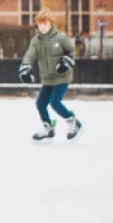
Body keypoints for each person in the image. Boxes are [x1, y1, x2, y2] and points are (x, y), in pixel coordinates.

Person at [19, 8, 82, 141]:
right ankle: (48, 128)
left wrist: (66, 62)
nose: (42, 27)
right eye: (40, 24)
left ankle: (72, 121)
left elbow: (72, 51)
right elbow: (30, 54)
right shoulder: (36, 41)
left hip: (62, 77)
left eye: (45, 24)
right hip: (47, 79)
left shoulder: (61, 38)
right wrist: (25, 67)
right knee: (41, 103)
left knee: (54, 102)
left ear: (51, 23)